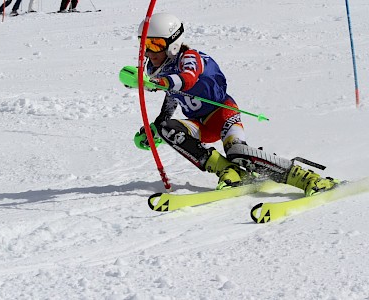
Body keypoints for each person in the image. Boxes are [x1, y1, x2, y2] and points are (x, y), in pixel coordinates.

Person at [131, 13, 339, 196]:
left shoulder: (191, 57)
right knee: (165, 128)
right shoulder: (155, 67)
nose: (149, 52)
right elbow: (173, 95)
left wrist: (161, 82)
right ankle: (228, 171)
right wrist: (157, 126)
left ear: (173, 42)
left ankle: (306, 178)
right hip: (199, 123)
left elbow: (188, 78)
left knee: (238, 152)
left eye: (155, 44)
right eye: (144, 45)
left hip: (222, 115)